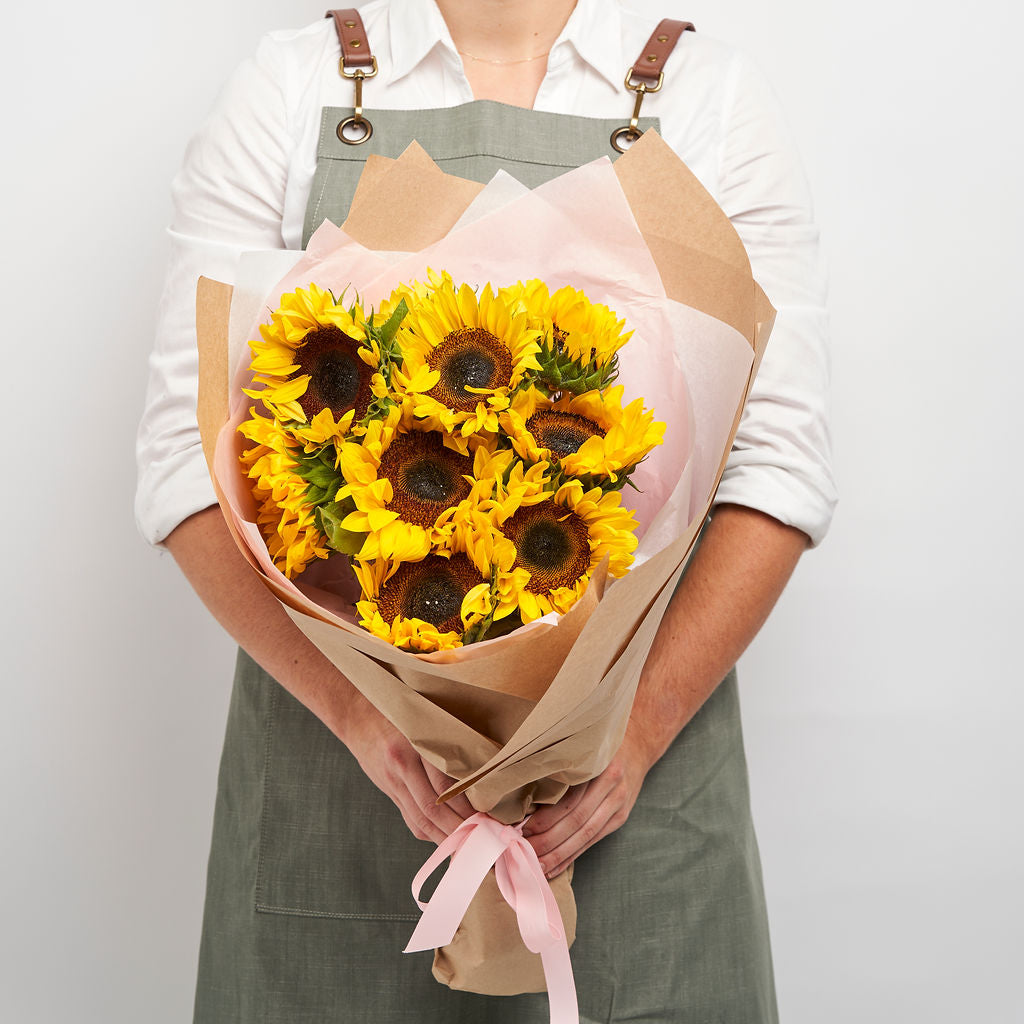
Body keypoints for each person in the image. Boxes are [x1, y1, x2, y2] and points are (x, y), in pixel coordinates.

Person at [136, 0, 836, 1020]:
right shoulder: (289, 89)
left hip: (631, 817)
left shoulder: (708, 97)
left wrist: (629, 736)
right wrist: (362, 716)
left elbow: (776, 469)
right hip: (342, 793)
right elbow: (184, 467)